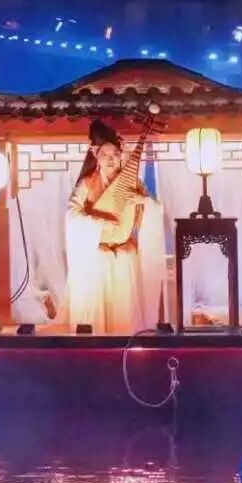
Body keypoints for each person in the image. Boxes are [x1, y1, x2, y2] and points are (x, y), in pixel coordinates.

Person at [65, 118, 164, 334]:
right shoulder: (87, 183)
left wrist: (143, 201)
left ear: (121, 155)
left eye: (115, 155)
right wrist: (100, 223)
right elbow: (72, 214)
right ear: (96, 155)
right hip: (97, 253)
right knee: (98, 295)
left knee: (125, 301)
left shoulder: (132, 183)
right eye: (105, 155)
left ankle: (126, 337)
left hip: (124, 252)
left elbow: (155, 209)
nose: (111, 160)